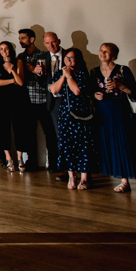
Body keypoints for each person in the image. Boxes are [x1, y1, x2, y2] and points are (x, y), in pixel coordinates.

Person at [92, 43, 136, 195]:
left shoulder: (123, 70)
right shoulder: (94, 72)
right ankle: (124, 181)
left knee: (128, 143)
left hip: (120, 110)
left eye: (107, 51)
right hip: (104, 111)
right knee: (112, 145)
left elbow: (134, 91)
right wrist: (95, 95)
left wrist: (120, 86)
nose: (102, 53)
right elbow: (90, 91)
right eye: (101, 50)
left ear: (113, 54)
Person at [50, 48, 97, 190]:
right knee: (67, 144)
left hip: (81, 114)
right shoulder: (60, 73)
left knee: (83, 145)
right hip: (65, 114)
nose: (68, 60)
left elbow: (76, 91)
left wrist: (69, 76)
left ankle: (84, 178)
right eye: (66, 58)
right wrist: (64, 76)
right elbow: (54, 89)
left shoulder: (83, 74)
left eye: (71, 58)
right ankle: (71, 176)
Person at [18, 29, 57, 172]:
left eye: (23, 38)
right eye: (19, 38)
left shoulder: (44, 55)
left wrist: (35, 71)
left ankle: (53, 163)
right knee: (29, 133)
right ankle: (31, 161)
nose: (20, 40)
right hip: (26, 101)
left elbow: (47, 78)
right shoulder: (20, 57)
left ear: (32, 39)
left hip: (43, 100)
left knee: (50, 133)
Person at [0, 41, 31, 172]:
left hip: (18, 99)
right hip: (1, 100)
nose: (4, 51)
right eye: (2, 49)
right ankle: (8, 158)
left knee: (20, 128)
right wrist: (11, 81)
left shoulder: (18, 61)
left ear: (11, 50)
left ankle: (20, 158)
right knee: (3, 130)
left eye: (7, 49)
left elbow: (21, 82)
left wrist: (12, 70)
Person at [44, 32, 69, 180]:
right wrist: (37, 73)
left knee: (71, 135)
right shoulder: (44, 58)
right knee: (57, 136)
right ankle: (63, 169)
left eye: (53, 42)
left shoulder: (69, 55)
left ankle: (81, 170)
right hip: (52, 102)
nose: (51, 46)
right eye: (47, 43)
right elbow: (41, 81)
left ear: (58, 41)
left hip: (68, 100)